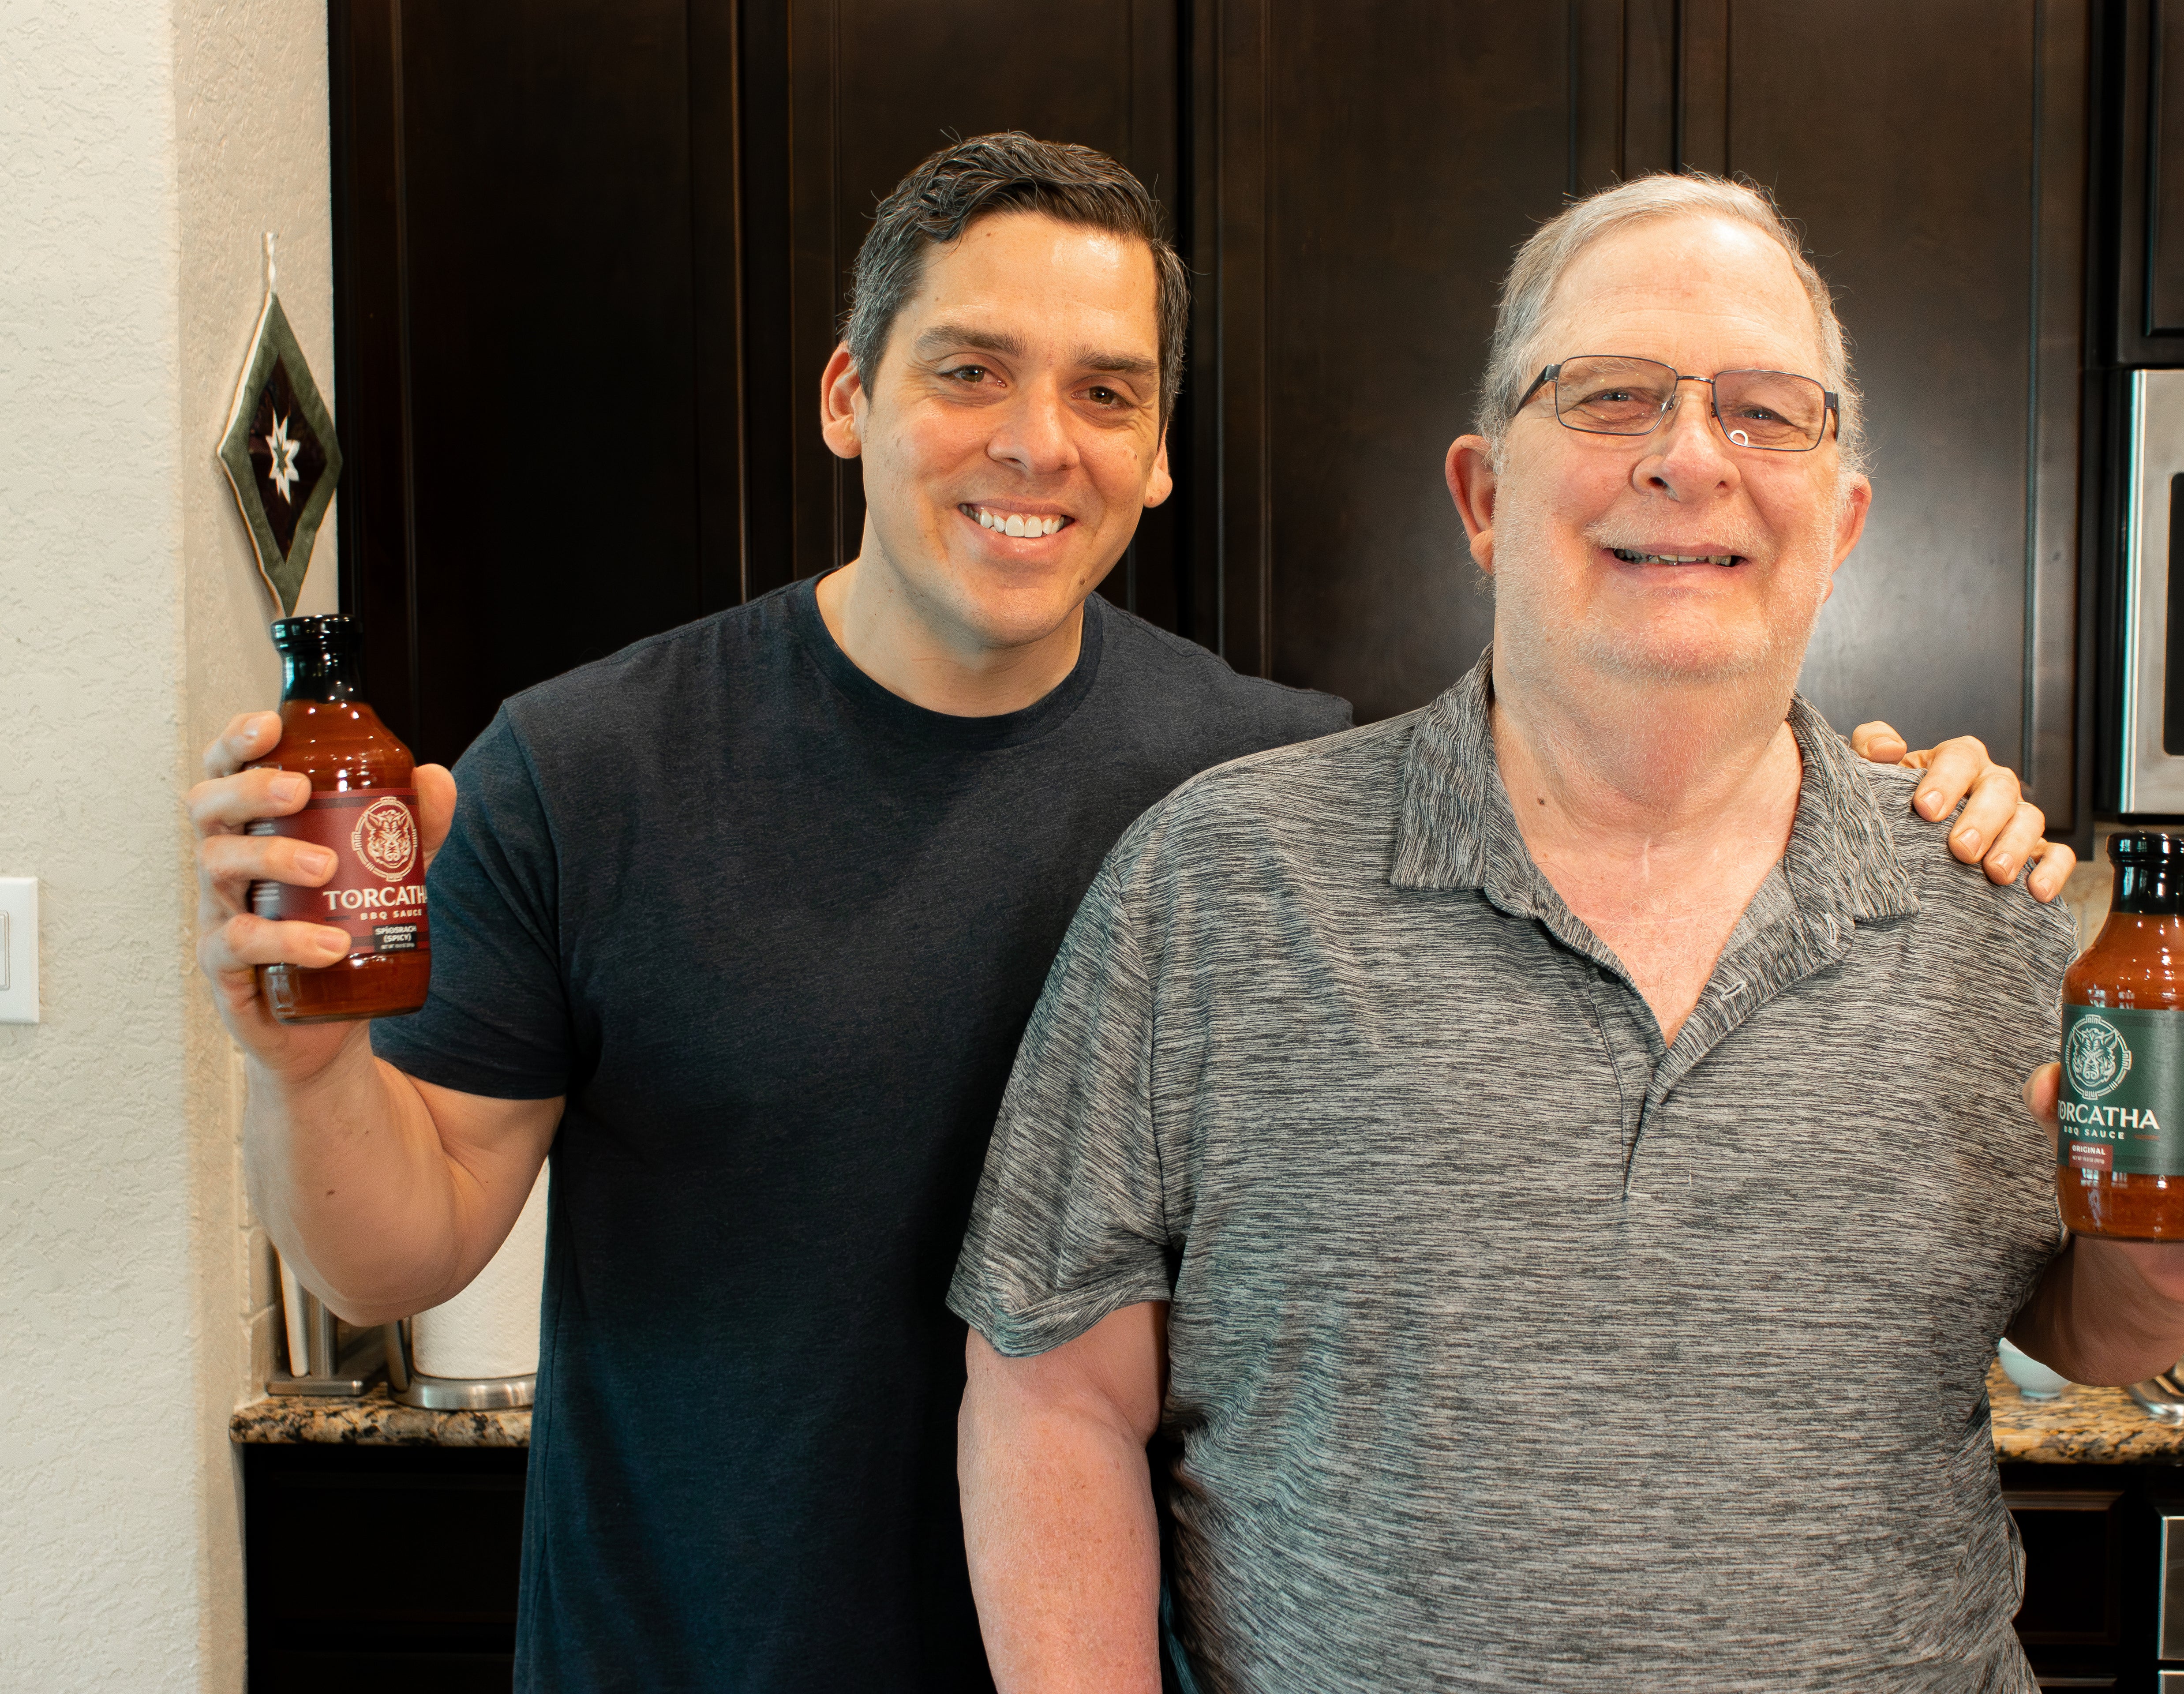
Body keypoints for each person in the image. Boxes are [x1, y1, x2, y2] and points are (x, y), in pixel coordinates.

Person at [190, 139, 2070, 1690]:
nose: (1041, 442)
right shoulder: (592, 765)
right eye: (969, 371)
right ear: (852, 397)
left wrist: (1887, 809)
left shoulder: (1260, 786)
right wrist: (309, 1065)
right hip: (698, 1655)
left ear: (1161, 451)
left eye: (1108, 393)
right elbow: (398, 1250)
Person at [949, 171, 2184, 1693]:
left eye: (1765, 410)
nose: (1688, 459)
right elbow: (1050, 1394)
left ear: (1842, 518)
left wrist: (2177, 1272)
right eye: (1608, 396)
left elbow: (2078, 1327)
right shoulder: (1218, 883)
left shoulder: (1990, 906)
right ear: (1481, 496)